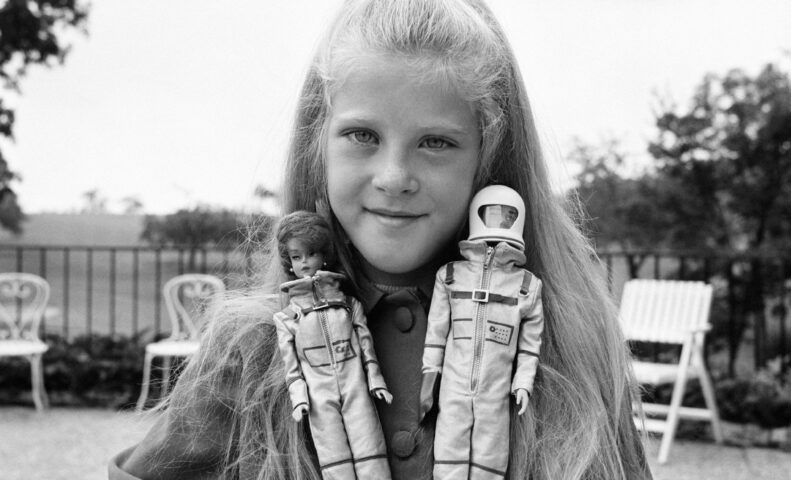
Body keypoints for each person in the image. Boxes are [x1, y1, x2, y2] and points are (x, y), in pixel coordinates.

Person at [109, 0, 652, 479]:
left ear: (487, 160)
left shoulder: (574, 343)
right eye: (362, 135)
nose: (395, 176)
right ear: (316, 145)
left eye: (436, 142)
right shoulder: (249, 348)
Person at [419, 185, 545, 480]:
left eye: (506, 216)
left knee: (491, 455)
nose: (498, 222)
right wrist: (429, 377)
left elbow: (530, 343)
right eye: (492, 214)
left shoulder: (526, 285)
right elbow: (436, 334)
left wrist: (523, 382)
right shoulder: (450, 276)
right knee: (449, 452)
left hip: (496, 390)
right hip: (453, 386)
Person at [273, 211, 393, 479]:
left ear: (324, 254)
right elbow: (291, 365)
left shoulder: (349, 306)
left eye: (311, 253)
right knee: (334, 460)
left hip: (356, 387)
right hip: (319, 397)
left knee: (371, 450)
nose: (304, 262)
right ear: (288, 262)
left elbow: (366, 347)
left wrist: (376, 380)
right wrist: (299, 398)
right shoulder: (287, 319)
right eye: (296, 256)